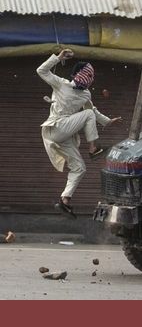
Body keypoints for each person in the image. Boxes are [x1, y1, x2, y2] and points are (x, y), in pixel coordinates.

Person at [37, 49, 121, 219]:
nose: (87, 80)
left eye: (89, 77)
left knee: (79, 168)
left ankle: (64, 200)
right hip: (55, 127)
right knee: (87, 116)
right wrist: (58, 58)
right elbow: (41, 70)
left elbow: (93, 110)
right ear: (75, 75)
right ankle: (93, 148)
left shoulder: (85, 94)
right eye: (84, 75)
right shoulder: (61, 84)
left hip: (65, 134)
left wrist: (108, 121)